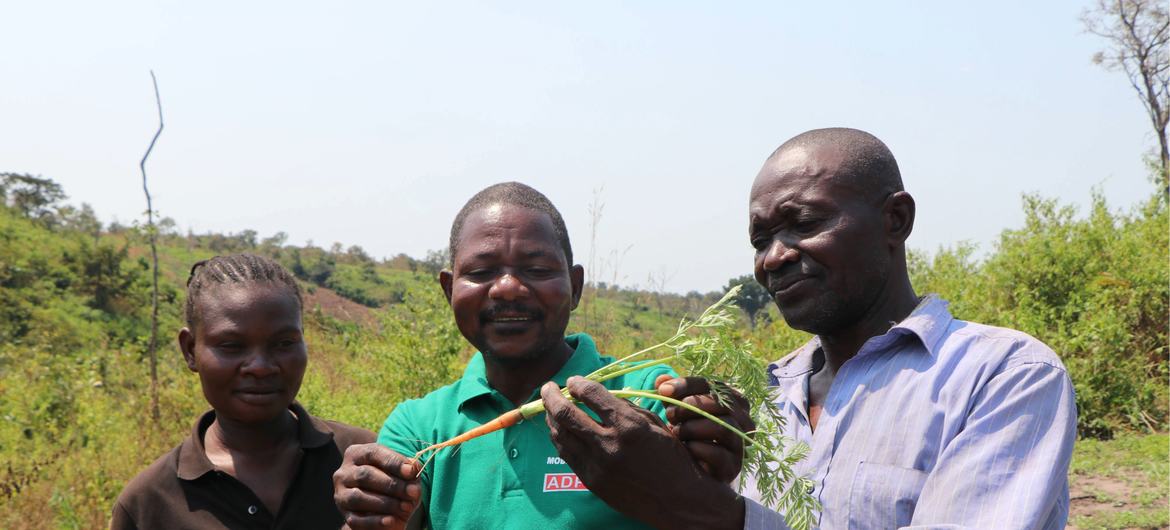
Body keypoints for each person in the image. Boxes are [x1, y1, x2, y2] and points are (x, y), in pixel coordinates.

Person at [543, 128, 1077, 529]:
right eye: (760, 240)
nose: (773, 258)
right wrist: (698, 469)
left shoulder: (1003, 377)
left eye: (805, 224)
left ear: (896, 220)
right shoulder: (759, 400)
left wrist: (703, 508)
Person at [332, 182, 747, 529]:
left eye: (536, 269)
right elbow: (384, 518)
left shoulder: (642, 395)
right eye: (481, 272)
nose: (508, 287)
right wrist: (373, 506)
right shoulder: (420, 425)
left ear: (576, 285)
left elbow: (700, 502)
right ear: (448, 289)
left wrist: (705, 451)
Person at [111, 254, 375, 529]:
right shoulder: (148, 504)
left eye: (284, 343)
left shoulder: (364, 463)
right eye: (231, 345)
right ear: (190, 350)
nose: (260, 367)